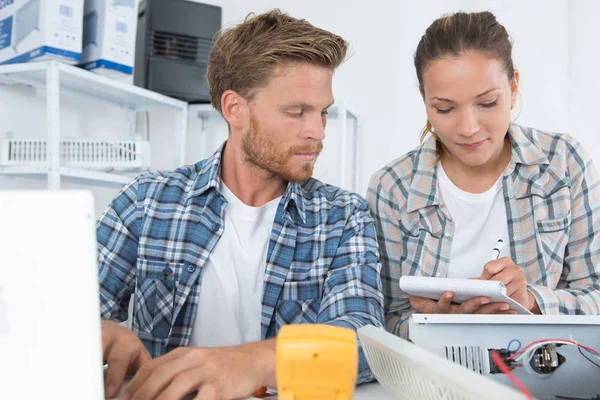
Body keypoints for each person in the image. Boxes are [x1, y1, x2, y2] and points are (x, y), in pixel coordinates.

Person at [97, 9, 384, 400]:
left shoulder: (342, 217)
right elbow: (60, 310)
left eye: (323, 113)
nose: (317, 132)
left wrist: (252, 362)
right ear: (235, 109)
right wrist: (96, 329)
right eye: (297, 112)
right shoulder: (146, 203)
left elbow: (366, 342)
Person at [367, 11, 600, 339]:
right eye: (445, 109)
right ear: (424, 100)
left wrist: (531, 300)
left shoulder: (563, 164)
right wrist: (436, 323)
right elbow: (384, 320)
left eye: (487, 103)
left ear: (514, 86)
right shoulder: (392, 188)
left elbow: (596, 295)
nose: (468, 128)